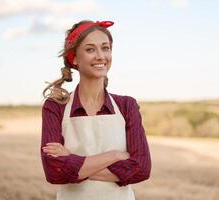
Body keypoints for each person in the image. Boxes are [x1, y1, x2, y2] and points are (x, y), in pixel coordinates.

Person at [41, 20, 151, 200]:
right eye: (90, 49)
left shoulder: (127, 106)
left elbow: (142, 169)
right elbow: (54, 172)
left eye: (105, 48)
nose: (101, 56)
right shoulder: (55, 107)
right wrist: (115, 156)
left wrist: (71, 160)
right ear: (74, 58)